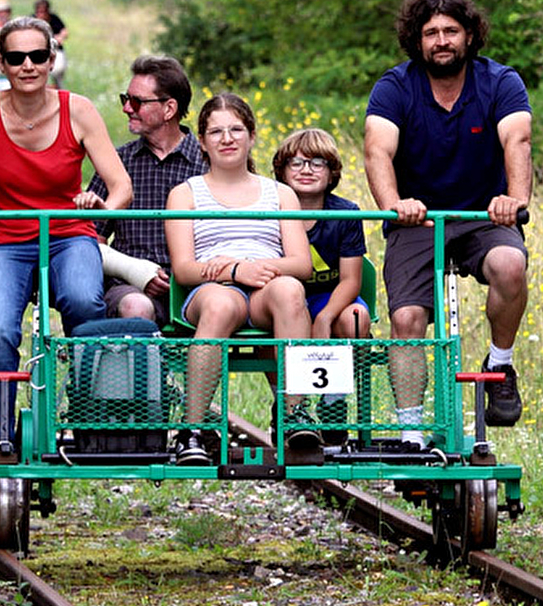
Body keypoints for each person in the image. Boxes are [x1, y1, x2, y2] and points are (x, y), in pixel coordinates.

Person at [0, 17, 133, 456]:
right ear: (0, 62)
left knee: (84, 305)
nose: (28, 66)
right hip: (5, 238)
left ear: (51, 60)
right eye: (17, 57)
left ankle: (92, 424)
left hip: (68, 234)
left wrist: (103, 208)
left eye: (37, 56)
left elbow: (120, 186)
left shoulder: (77, 109)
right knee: (0, 331)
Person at [364, 0, 532, 442]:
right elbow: (377, 150)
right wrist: (393, 205)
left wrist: (513, 201)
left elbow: (517, 141)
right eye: (431, 32)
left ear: (470, 35)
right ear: (417, 41)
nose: (441, 41)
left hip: (484, 217)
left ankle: (500, 366)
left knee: (510, 265)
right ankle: (411, 430)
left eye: (451, 31)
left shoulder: (500, 82)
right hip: (417, 219)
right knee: (406, 320)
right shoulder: (395, 87)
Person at [164, 92, 317, 464]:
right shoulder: (185, 195)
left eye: (236, 129)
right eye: (216, 131)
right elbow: (184, 269)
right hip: (210, 288)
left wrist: (254, 270)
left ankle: (293, 412)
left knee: (291, 290)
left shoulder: (280, 194)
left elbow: (301, 263)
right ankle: (192, 428)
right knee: (218, 303)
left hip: (266, 286)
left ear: (251, 135)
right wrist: (233, 271)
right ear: (202, 140)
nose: (227, 138)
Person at [87, 55, 208, 322]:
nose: (127, 109)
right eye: (125, 99)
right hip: (127, 286)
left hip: (199, 287)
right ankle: (142, 365)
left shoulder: (209, 163)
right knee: (136, 306)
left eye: (137, 102)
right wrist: (137, 273)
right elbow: (89, 237)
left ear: (169, 109)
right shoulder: (117, 163)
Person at [273, 128, 370, 443]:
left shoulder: (345, 213)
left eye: (317, 163)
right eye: (296, 163)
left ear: (332, 173)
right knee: (269, 322)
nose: (306, 170)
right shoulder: (270, 212)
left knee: (356, 319)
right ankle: (287, 401)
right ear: (282, 171)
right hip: (286, 297)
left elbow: (351, 279)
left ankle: (333, 402)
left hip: (331, 297)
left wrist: (326, 316)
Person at [33, 0, 69, 87]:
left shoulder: (54, 19)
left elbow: (64, 31)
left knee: (58, 70)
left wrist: (60, 37)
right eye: (39, 12)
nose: (41, 15)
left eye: (43, 12)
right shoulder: (32, 20)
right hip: (38, 51)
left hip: (55, 49)